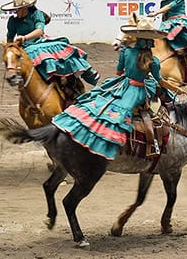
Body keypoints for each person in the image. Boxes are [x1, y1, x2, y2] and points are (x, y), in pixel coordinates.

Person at [52, 18, 169, 161]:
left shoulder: (125, 52)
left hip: (124, 84)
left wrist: (130, 73)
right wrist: (174, 88)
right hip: (140, 90)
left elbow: (119, 73)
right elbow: (159, 80)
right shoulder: (154, 60)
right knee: (154, 107)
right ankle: (153, 143)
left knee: (102, 98)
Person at [3, 0, 99, 91]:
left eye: (18, 9)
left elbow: (39, 31)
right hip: (24, 47)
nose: (16, 12)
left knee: (62, 46)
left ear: (25, 8)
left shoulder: (36, 14)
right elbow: (10, 39)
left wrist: (24, 37)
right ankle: (17, 78)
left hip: (40, 42)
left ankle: (77, 75)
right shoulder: (13, 21)